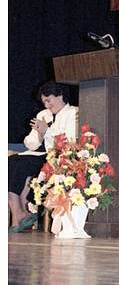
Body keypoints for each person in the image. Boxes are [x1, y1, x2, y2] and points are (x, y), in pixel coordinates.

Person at [8, 80, 78, 232]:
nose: (46, 105)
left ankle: (23, 213)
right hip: (40, 154)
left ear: (60, 96)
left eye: (49, 100)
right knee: (10, 162)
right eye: (44, 102)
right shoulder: (43, 115)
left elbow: (71, 142)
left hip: (60, 158)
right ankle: (18, 212)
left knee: (21, 165)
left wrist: (47, 131)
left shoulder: (73, 112)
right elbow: (29, 144)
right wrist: (39, 135)